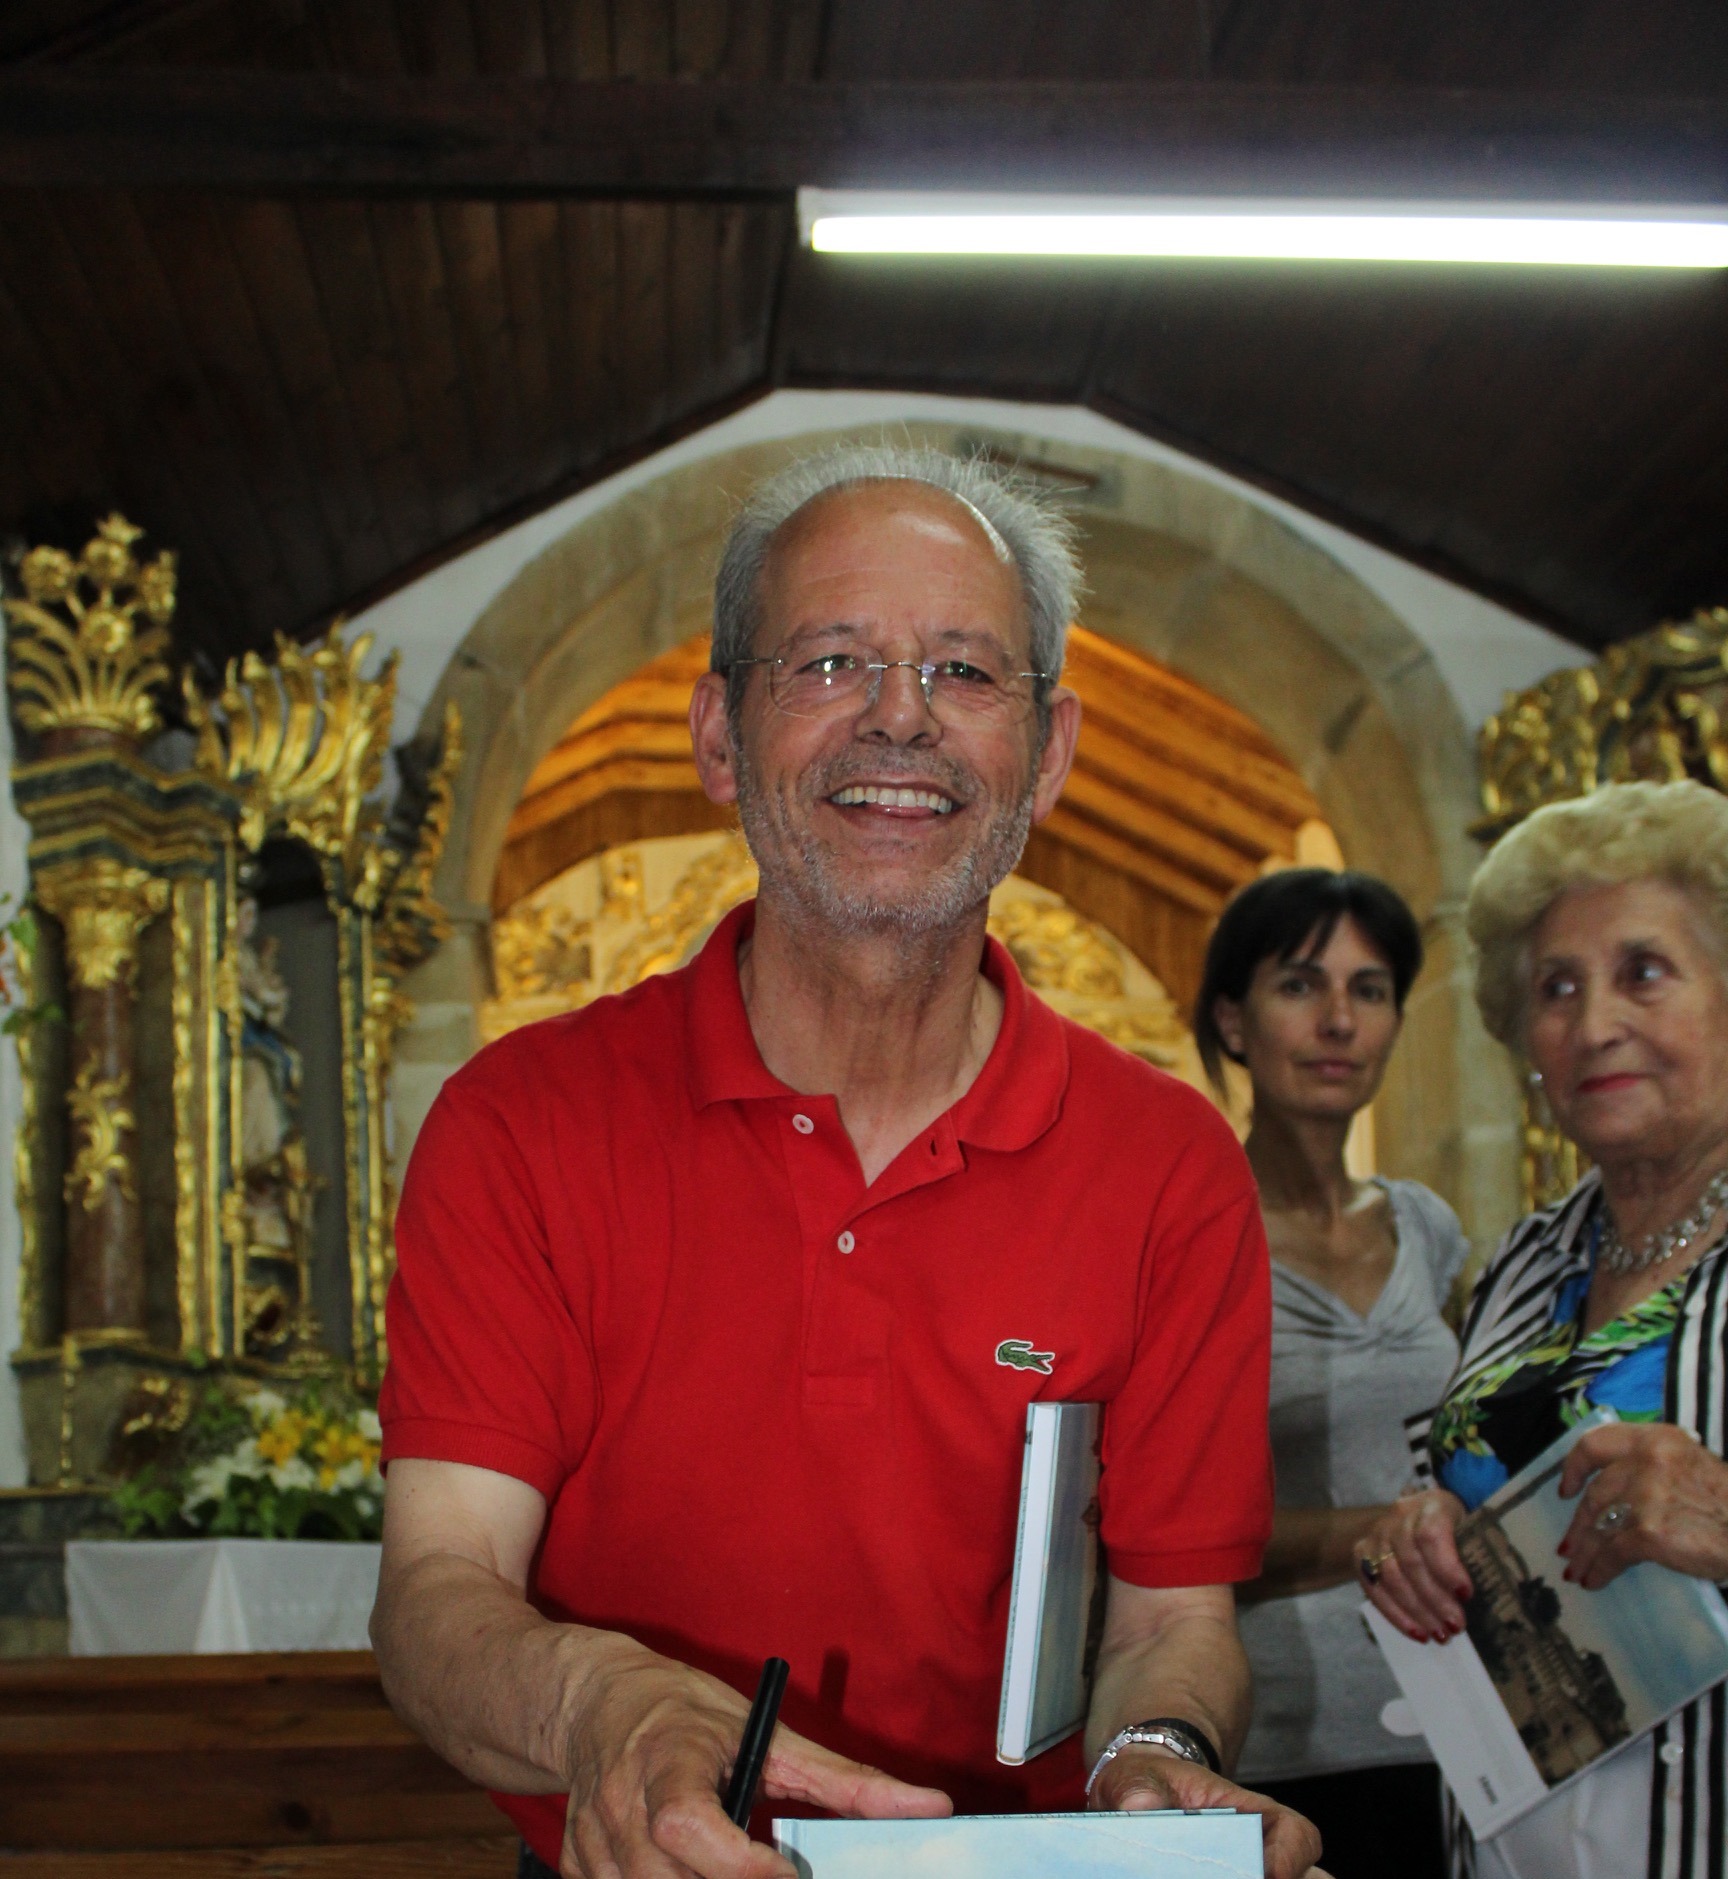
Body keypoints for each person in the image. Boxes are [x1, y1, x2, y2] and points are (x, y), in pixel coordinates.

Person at [369, 444, 1325, 1879]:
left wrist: (1157, 1763)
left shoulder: (1171, 1164)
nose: (899, 718)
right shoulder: (522, 1120)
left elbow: (1168, 1624)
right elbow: (438, 1588)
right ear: (718, 736)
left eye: (964, 670)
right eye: (828, 662)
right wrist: (602, 1706)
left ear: (1049, 751)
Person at [1357, 778, 1728, 1879]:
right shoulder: (1530, 1253)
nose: (1593, 1021)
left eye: (1643, 972)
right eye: (1557, 988)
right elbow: (1473, 1485)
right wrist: (1420, 1533)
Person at [1194, 868, 1468, 1879]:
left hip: (1466, 1725)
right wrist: (1404, 1531)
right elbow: (1168, 1533)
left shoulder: (1426, 1225)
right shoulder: (1194, 1232)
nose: (1340, 1020)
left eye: (1372, 987)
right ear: (1233, 1018)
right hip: (1281, 1739)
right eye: (1301, 984)